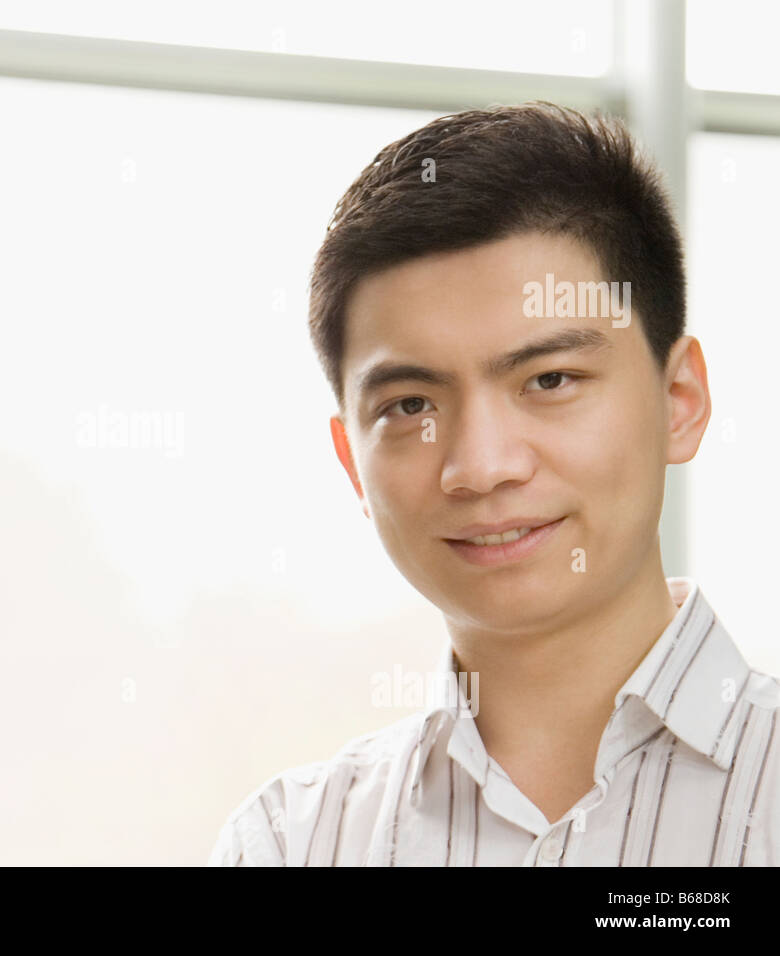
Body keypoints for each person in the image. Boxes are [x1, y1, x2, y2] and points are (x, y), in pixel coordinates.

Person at [207, 102, 779, 866]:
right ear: (352, 461)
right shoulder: (290, 844)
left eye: (549, 379)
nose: (479, 466)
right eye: (411, 406)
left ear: (679, 402)